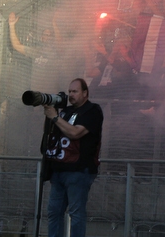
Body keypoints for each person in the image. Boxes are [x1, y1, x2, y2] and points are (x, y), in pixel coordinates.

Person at [43, 78, 104, 237]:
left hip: (79, 171)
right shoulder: (66, 111)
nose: (71, 94)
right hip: (59, 169)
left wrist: (55, 117)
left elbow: (75, 133)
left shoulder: (92, 111)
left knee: (76, 213)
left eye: (75, 91)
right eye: (69, 91)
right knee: (54, 212)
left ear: (85, 93)